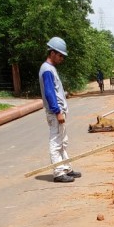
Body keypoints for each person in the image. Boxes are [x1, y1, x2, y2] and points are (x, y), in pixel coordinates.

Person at [39, 36, 81, 183]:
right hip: (54, 112)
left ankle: (66, 168)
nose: (62, 58)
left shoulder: (50, 69)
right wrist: (57, 112)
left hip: (58, 112)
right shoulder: (47, 70)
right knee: (56, 141)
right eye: (60, 55)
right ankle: (58, 172)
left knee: (63, 141)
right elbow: (50, 93)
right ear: (52, 53)